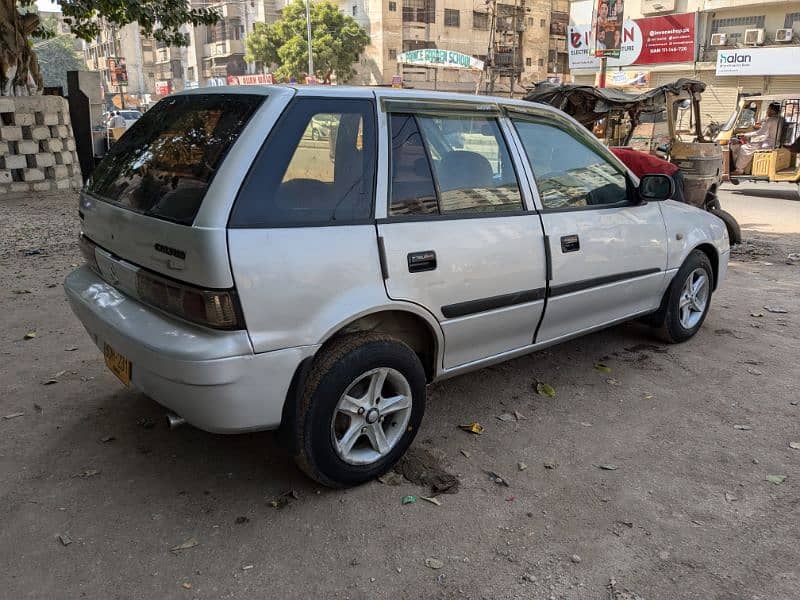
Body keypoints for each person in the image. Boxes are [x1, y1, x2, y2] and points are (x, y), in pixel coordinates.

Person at [610, 147, 686, 203]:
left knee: (673, 207)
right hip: (660, 173)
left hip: (668, 175)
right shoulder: (613, 153)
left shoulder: (611, 155)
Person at [731, 102, 782, 175]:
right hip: (774, 142)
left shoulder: (770, 120)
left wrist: (745, 135)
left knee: (744, 148)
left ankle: (739, 170)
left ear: (772, 110)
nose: (767, 111)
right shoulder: (781, 119)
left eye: (768, 109)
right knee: (750, 145)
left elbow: (759, 133)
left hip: (768, 143)